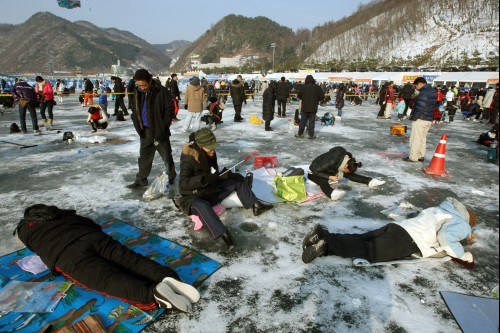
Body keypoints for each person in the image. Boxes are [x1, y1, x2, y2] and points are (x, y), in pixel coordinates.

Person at [15, 204, 199, 313]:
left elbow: (34, 247)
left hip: (66, 255)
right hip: (91, 236)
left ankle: (154, 295)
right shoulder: (61, 214)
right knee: (130, 260)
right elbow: (92, 224)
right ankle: (166, 277)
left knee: (107, 279)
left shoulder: (24, 229)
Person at [175, 129, 273, 250]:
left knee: (237, 179)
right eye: (210, 149)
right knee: (202, 205)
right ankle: (225, 237)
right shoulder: (188, 158)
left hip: (210, 190)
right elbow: (183, 184)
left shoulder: (210, 153)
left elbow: (214, 172)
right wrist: (205, 179)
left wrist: (225, 174)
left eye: (214, 148)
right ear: (200, 146)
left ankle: (256, 205)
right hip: (193, 197)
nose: (213, 151)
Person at [301, 197, 476, 265]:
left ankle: (324, 238)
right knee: (369, 250)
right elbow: (446, 237)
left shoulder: (442, 210)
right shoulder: (462, 223)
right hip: (410, 240)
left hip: (399, 228)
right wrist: (464, 255)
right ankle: (326, 245)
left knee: (361, 239)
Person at [128, 69, 176, 188]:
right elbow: (135, 109)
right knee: (144, 158)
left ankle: (171, 177)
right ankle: (141, 179)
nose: (142, 87)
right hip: (145, 131)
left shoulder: (161, 91)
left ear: (149, 81)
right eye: (139, 85)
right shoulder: (137, 92)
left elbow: (170, 109)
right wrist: (137, 124)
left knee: (166, 156)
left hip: (160, 131)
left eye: (144, 84)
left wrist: (164, 125)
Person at [308, 146, 385, 201]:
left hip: (329, 168)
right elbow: (313, 169)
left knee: (347, 174)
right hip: (314, 170)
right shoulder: (332, 161)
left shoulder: (344, 159)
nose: (344, 171)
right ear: (346, 165)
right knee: (323, 180)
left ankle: (370, 181)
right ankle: (331, 194)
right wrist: (329, 176)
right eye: (345, 170)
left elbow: (333, 151)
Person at [403, 77, 436, 162]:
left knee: (415, 138)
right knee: (422, 138)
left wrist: (414, 117)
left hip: (420, 119)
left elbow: (420, 107)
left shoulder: (423, 93)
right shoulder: (432, 91)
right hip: (428, 118)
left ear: (420, 84)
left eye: (416, 86)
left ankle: (413, 157)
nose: (415, 88)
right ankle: (421, 155)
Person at [296, 75, 324, 139]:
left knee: (303, 121)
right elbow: (322, 97)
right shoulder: (317, 87)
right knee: (312, 122)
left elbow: (299, 96)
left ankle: (300, 133)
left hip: (305, 107)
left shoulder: (303, 87)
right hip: (313, 107)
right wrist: (317, 99)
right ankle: (311, 135)